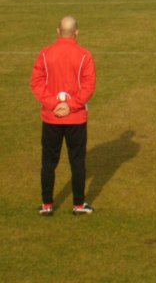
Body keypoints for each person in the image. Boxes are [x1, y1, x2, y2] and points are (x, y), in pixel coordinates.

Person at [30, 16, 96, 216]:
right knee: (77, 161)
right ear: (77, 32)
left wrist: (54, 104)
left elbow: (37, 83)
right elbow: (88, 86)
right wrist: (71, 106)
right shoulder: (85, 55)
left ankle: (47, 205)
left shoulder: (44, 54)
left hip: (51, 118)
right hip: (76, 119)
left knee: (49, 162)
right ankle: (78, 205)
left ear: (58, 30)